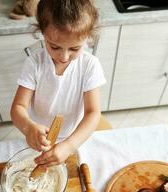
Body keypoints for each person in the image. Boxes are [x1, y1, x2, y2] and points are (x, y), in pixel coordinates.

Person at [10, 0, 106, 168]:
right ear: (42, 32)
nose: (64, 57)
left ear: (88, 37)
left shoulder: (90, 65)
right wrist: (28, 127)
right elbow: (18, 107)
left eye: (74, 49)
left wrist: (69, 146)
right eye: (54, 47)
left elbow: (93, 113)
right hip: (38, 137)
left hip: (74, 136)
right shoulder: (35, 63)